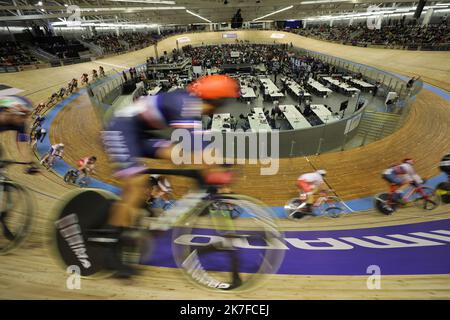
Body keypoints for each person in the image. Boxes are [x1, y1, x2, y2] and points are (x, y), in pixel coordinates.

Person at [100, 74, 240, 277]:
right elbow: (197, 145)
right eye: (222, 104)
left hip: (139, 133)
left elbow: (199, 145)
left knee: (181, 156)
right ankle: (110, 249)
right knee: (136, 184)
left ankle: (147, 209)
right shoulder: (185, 103)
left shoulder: (192, 103)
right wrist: (215, 166)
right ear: (214, 101)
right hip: (120, 129)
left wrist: (216, 164)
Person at [0, 95, 39, 173]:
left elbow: (23, 145)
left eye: (26, 116)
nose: (25, 120)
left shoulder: (20, 124)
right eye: (23, 116)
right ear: (11, 112)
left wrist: (29, 163)